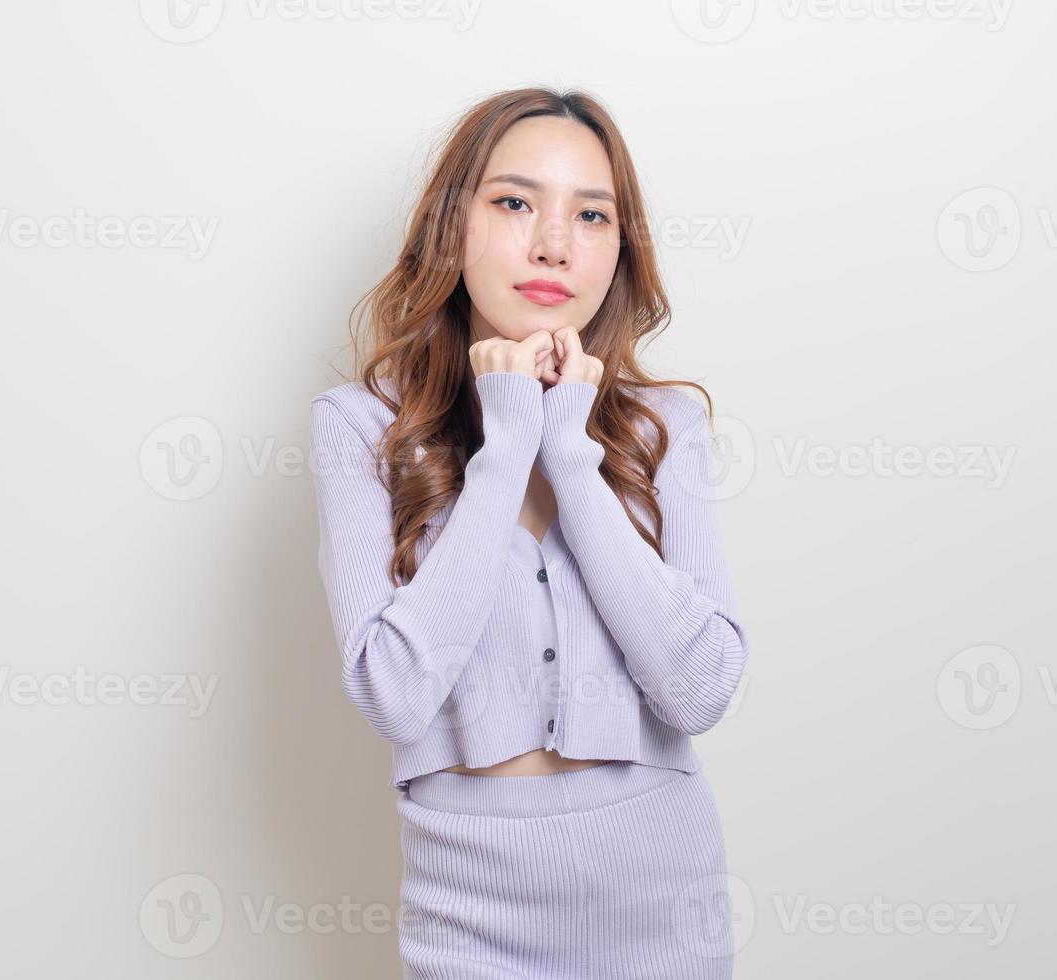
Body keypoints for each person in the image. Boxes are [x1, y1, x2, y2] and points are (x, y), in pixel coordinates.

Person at [310, 86, 750, 979]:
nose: (553, 242)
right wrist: (506, 445)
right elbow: (394, 695)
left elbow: (699, 689)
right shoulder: (358, 428)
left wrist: (570, 451)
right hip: (466, 920)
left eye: (591, 215)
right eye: (514, 202)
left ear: (618, 248)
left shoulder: (665, 426)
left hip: (666, 908)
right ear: (452, 225)